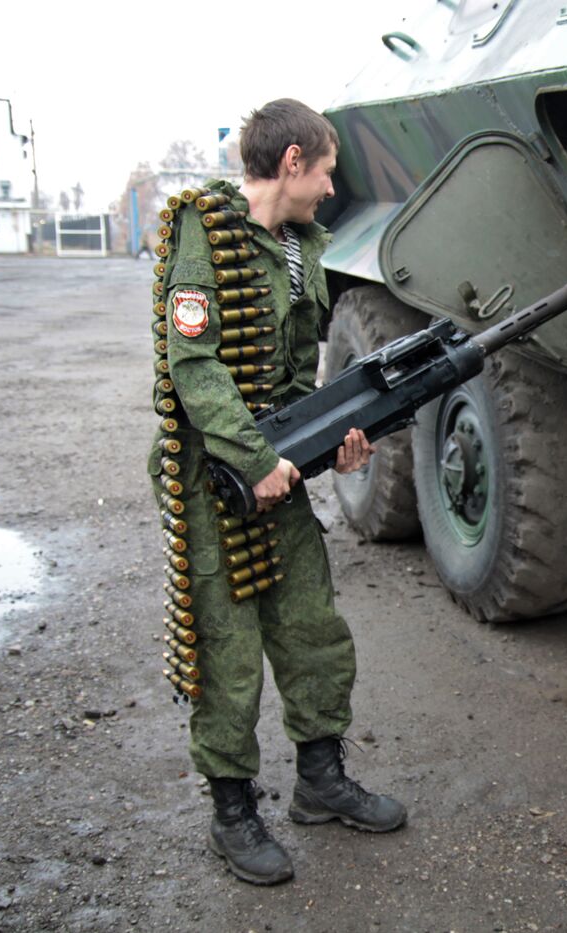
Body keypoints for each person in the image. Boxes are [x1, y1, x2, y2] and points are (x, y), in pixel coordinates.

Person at [146, 98, 406, 886]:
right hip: (212, 477)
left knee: (311, 627)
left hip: (276, 467)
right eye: (326, 169)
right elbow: (193, 369)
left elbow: (300, 384)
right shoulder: (204, 228)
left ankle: (321, 782)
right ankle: (233, 812)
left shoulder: (299, 249)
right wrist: (254, 457)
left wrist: (338, 445)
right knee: (226, 649)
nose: (330, 188)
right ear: (292, 161)